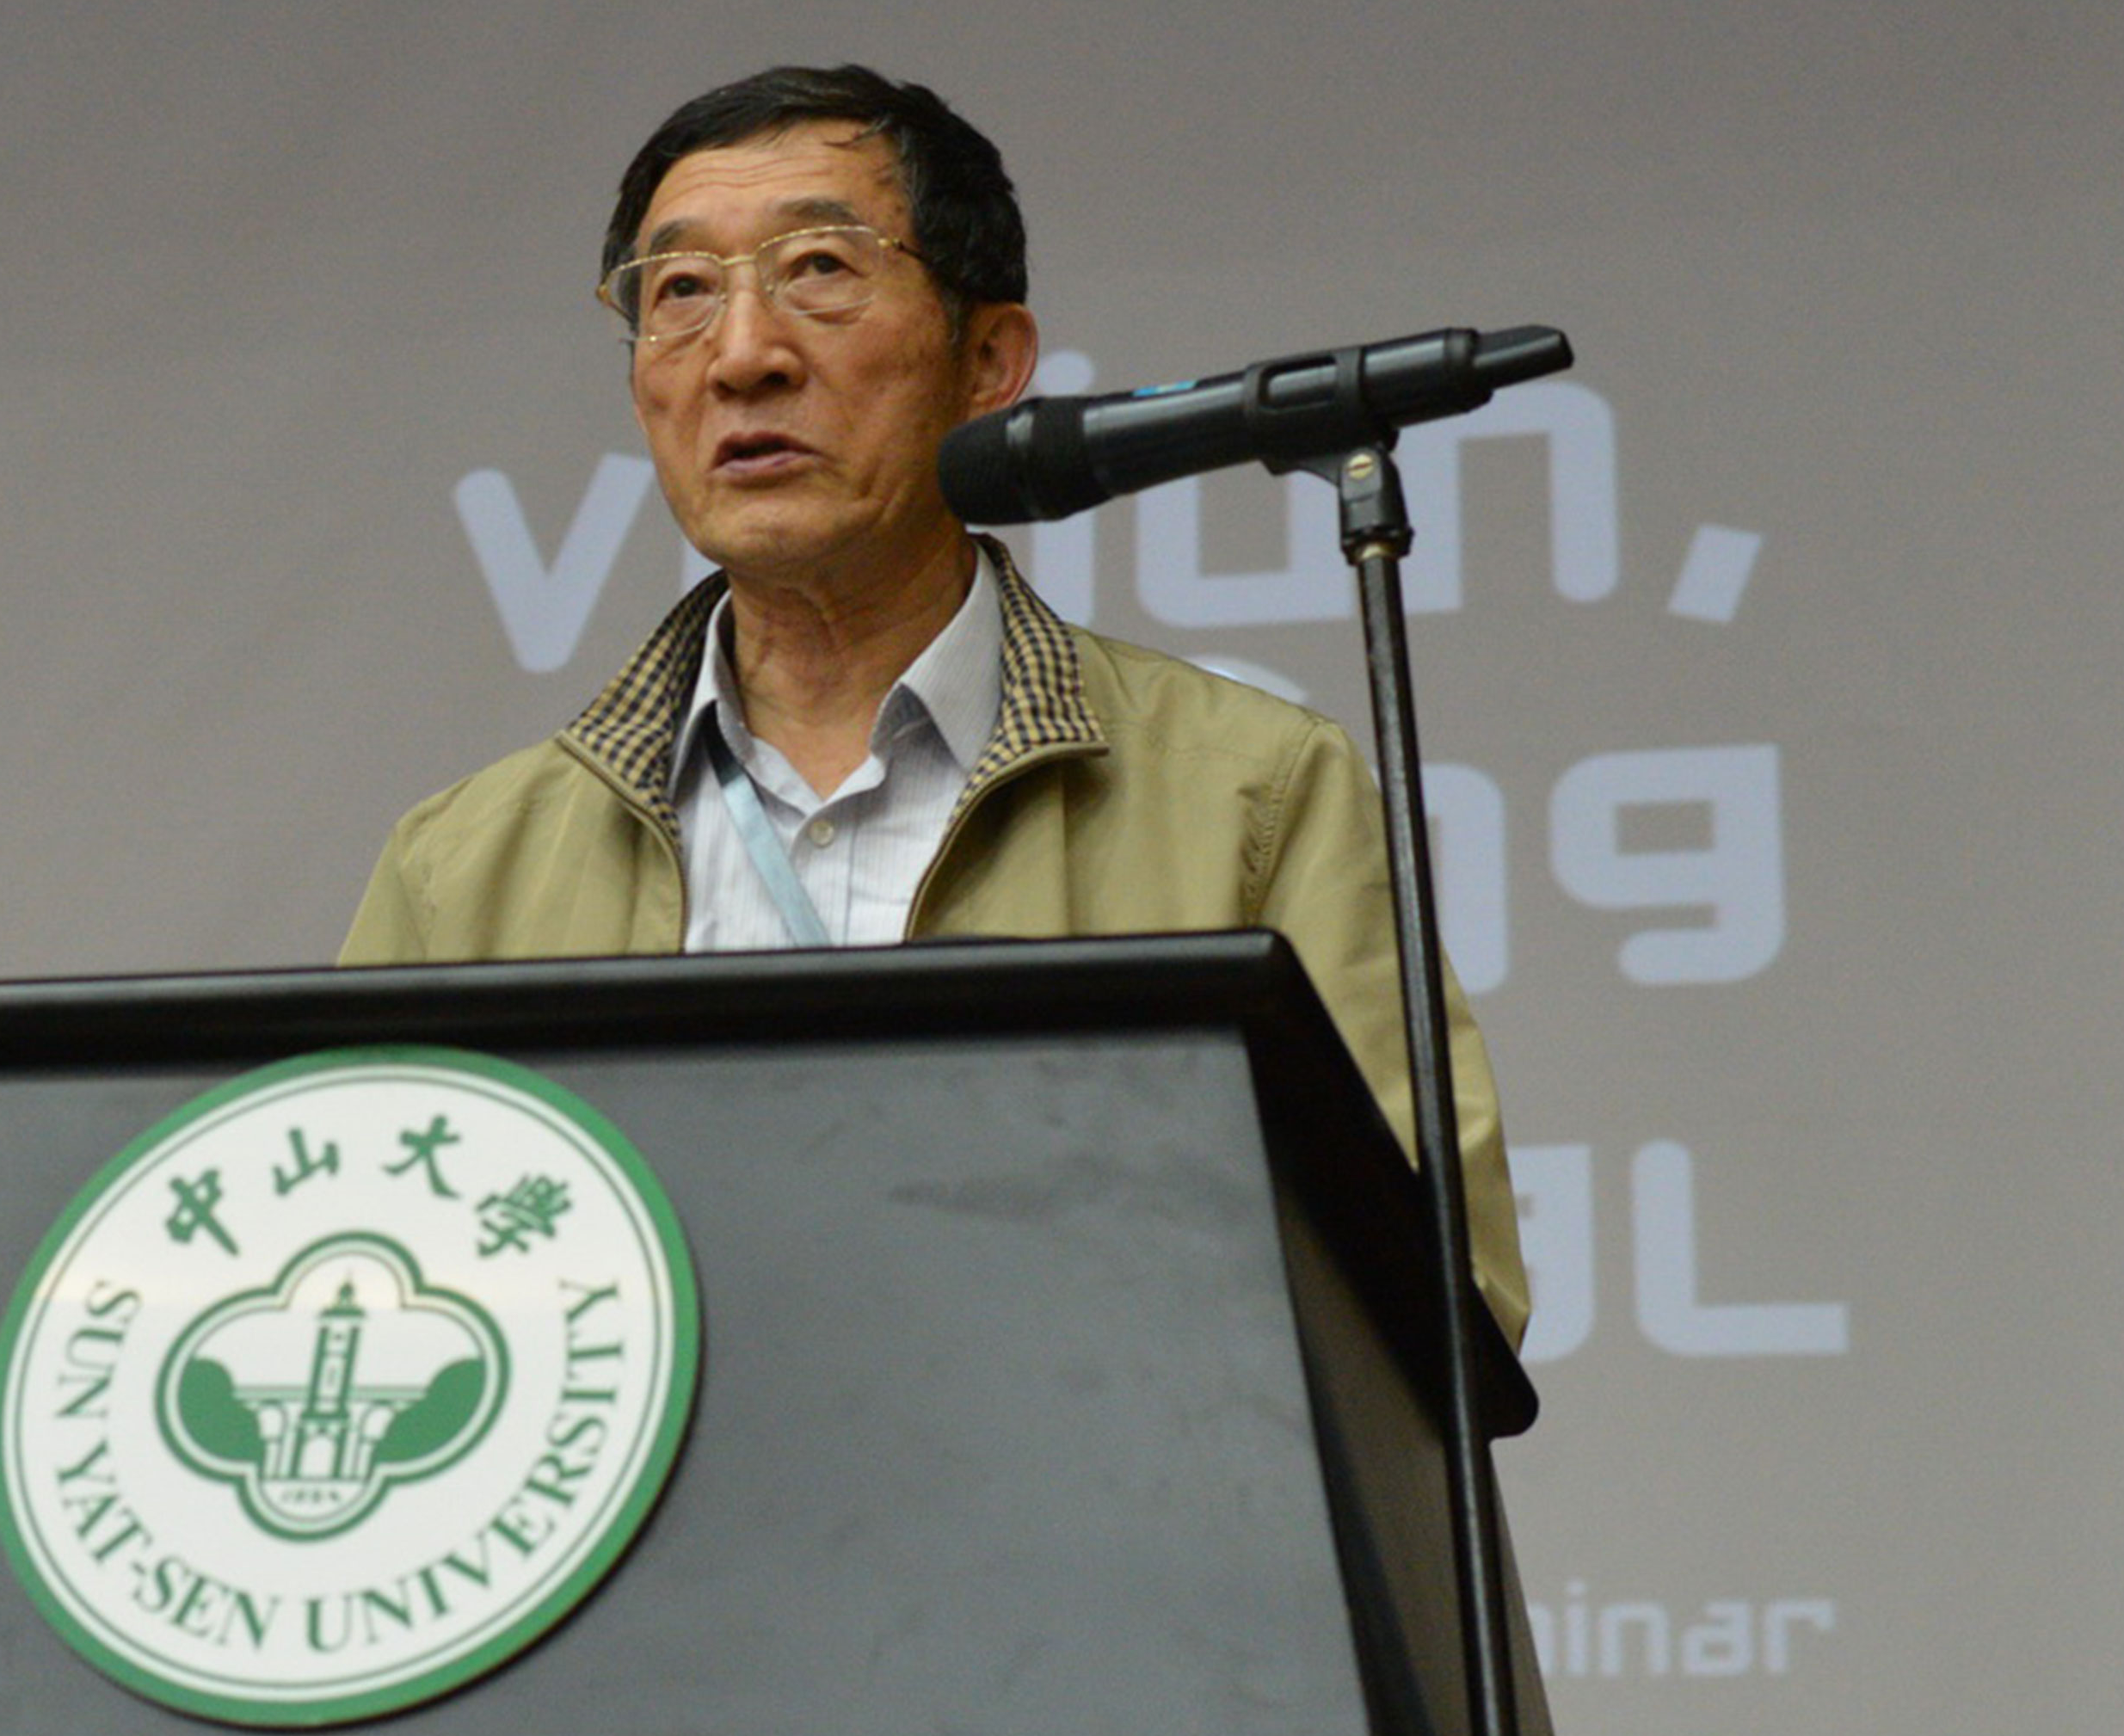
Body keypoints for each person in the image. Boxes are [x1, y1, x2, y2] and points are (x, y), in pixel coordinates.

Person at [337, 65, 1524, 1330]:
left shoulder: (1253, 793)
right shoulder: (465, 869)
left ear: (989, 359)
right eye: (680, 292)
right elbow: (340, 1282)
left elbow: (1435, 1310)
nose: (742, 356)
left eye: (819, 270)